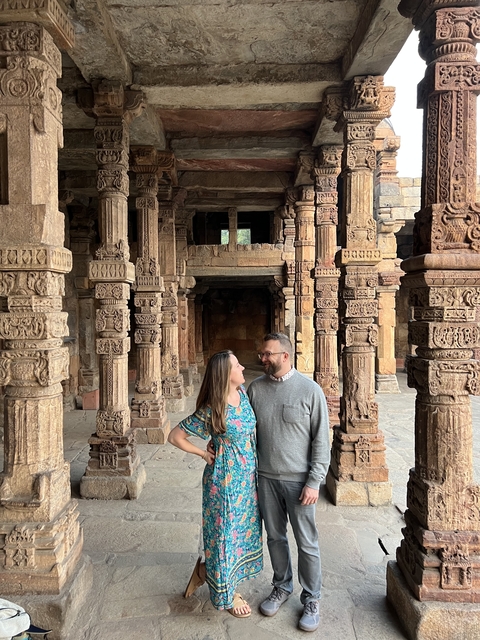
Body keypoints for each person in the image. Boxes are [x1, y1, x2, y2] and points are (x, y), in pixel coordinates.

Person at [168, 350, 263, 618]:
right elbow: (175, 436)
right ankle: (227, 593)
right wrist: (203, 453)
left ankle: (204, 571)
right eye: (237, 365)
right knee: (224, 536)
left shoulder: (242, 394)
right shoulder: (213, 408)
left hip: (246, 479)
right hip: (223, 482)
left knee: (240, 533)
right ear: (225, 374)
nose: (243, 367)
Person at [249, 332, 330, 632]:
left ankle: (312, 598)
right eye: (262, 354)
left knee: (306, 542)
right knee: (275, 537)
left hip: (300, 483)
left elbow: (322, 440)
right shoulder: (255, 389)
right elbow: (243, 429)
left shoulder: (310, 391)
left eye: (268, 354)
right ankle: (282, 586)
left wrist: (314, 481)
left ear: (285, 356)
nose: (262, 358)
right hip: (266, 478)